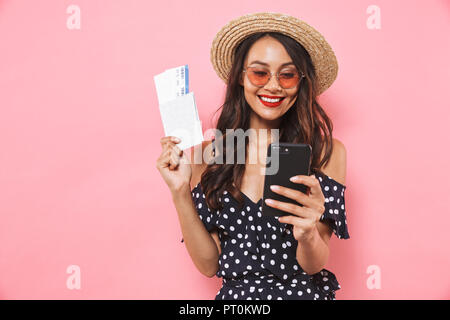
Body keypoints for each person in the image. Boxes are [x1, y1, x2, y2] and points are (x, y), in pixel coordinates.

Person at [156, 12, 349, 300]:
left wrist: (308, 231)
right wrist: (180, 192)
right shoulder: (211, 153)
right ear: (240, 79)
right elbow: (209, 265)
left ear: (301, 83)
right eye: (260, 73)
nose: (273, 85)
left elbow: (314, 263)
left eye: (287, 74)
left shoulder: (325, 152)